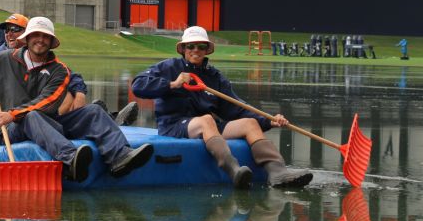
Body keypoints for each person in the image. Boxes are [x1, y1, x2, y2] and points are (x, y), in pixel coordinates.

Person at [0, 16, 152, 182]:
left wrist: (13, 113)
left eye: (46, 36)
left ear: (51, 41)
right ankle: (71, 159)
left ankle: (120, 158)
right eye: (36, 35)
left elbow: (48, 101)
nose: (40, 40)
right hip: (8, 129)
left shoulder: (60, 70)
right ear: (28, 38)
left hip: (44, 121)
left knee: (94, 111)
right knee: (32, 116)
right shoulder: (2, 58)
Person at [130, 26, 312, 189]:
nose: (196, 50)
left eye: (201, 46)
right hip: (173, 126)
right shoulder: (168, 67)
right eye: (191, 46)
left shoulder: (215, 76)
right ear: (183, 49)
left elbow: (236, 107)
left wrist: (269, 121)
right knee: (207, 120)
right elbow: (138, 85)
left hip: (206, 127)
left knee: (249, 123)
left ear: (207, 50)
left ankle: (278, 173)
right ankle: (234, 171)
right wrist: (172, 84)